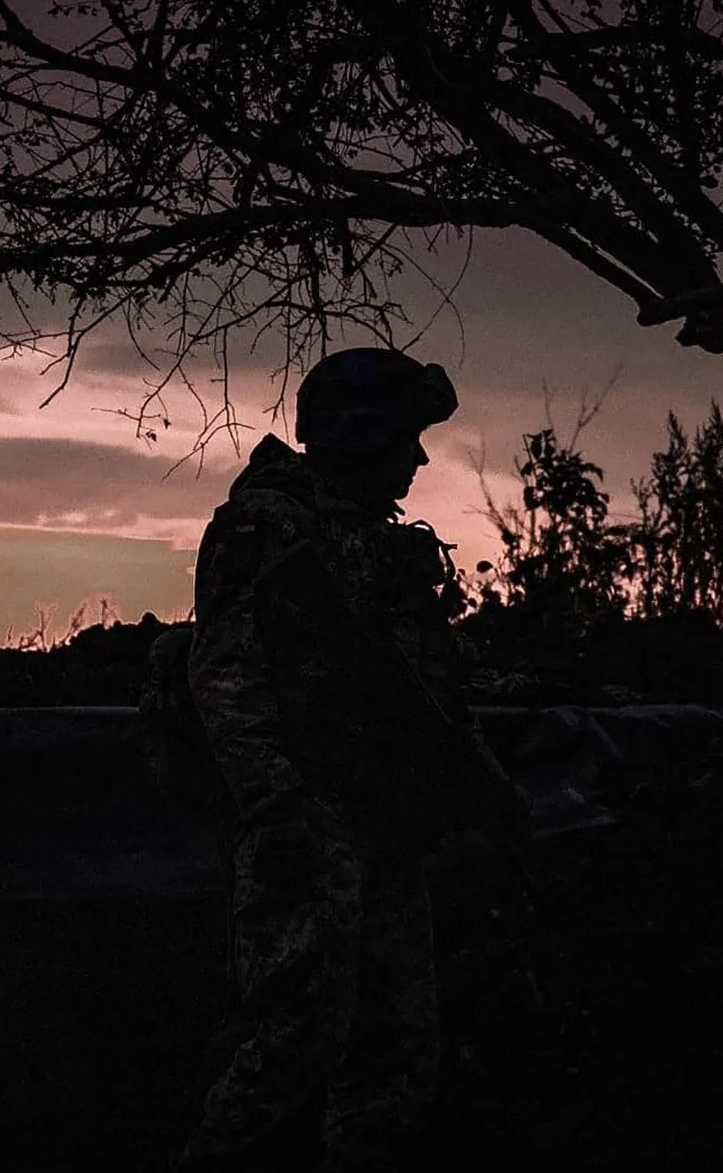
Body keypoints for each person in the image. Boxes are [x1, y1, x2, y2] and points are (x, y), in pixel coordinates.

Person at [172, 347, 532, 1173]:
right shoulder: (270, 531)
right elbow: (225, 676)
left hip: (384, 828)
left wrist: (484, 795)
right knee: (295, 1042)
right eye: (407, 436)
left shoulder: (373, 547)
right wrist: (279, 807)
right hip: (309, 828)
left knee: (396, 1048)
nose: (419, 456)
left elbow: (429, 693)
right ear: (363, 434)